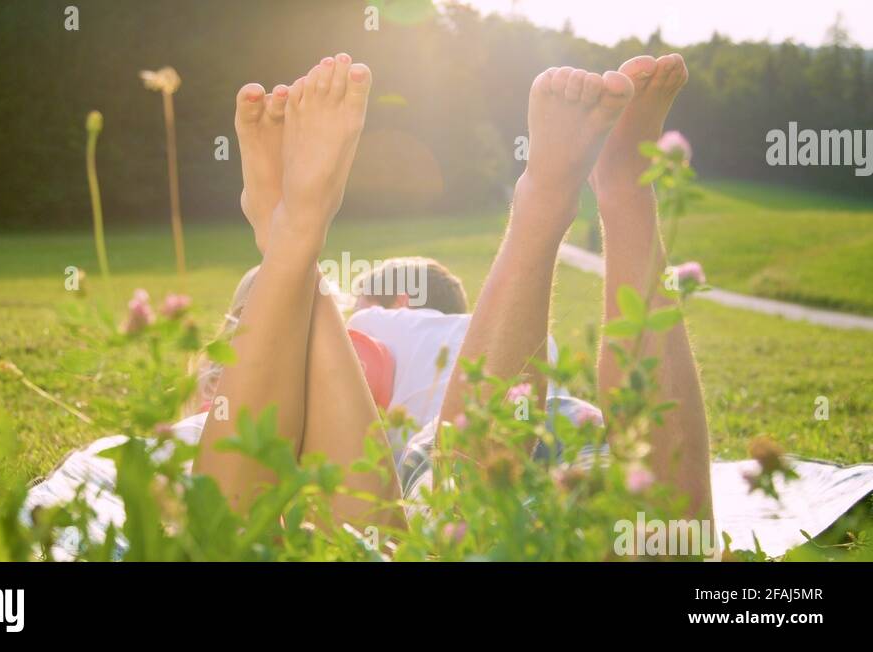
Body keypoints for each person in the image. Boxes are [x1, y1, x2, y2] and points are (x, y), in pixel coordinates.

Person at [196, 50, 713, 529]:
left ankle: (292, 238)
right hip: (561, 437)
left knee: (430, 533)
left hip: (509, 441)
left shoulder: (370, 337)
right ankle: (622, 188)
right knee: (672, 541)